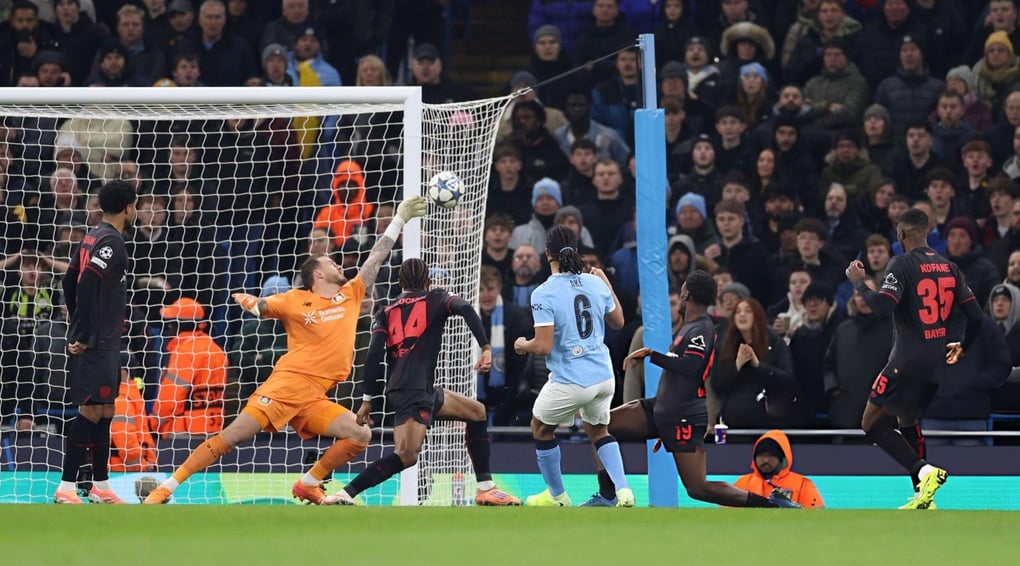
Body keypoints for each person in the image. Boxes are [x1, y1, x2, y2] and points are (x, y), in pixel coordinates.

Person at [143, 196, 428, 504]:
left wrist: (399, 219)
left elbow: (376, 258)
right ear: (317, 274)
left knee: (360, 434)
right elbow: (264, 306)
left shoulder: (352, 294)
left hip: (314, 397)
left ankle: (308, 483)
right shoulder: (295, 299)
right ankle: (165, 488)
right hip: (285, 386)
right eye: (330, 262)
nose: (337, 263)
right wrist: (251, 302)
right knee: (233, 436)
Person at [322, 259, 521, 506]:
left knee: (477, 412)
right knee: (406, 455)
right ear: (427, 282)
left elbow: (373, 355)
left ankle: (486, 488)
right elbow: (466, 308)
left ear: (399, 282)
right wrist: (486, 347)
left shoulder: (385, 310)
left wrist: (367, 399)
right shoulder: (437, 298)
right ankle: (344, 494)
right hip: (412, 393)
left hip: (416, 389)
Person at [600, 270, 798, 508]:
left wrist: (653, 355)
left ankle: (771, 503)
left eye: (683, 290)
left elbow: (691, 367)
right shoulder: (692, 327)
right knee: (601, 425)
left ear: (687, 295)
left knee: (697, 488)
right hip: (663, 409)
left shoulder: (702, 329)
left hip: (681, 415)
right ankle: (608, 495)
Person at [845, 208, 985, 510]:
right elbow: (976, 316)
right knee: (907, 421)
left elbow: (882, 307)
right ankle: (924, 495)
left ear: (901, 234)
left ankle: (924, 470)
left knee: (870, 423)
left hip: (906, 361)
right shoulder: (949, 267)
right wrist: (963, 345)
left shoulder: (901, 264)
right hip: (935, 365)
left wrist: (859, 283)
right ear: (928, 231)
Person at [514, 225, 632, 507]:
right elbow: (619, 322)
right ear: (576, 251)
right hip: (603, 376)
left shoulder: (543, 293)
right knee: (599, 430)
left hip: (572, 378)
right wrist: (607, 285)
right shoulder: (594, 282)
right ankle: (624, 491)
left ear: (547, 254)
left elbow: (543, 346)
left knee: (540, 427)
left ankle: (557, 497)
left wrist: (522, 344)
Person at [54, 180, 137, 504]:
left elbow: (68, 279)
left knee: (105, 410)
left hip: (105, 341)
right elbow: (87, 281)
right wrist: (83, 334)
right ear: (128, 208)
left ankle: (100, 485)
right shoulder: (112, 243)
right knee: (90, 411)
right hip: (97, 342)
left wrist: (78, 325)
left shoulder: (92, 236)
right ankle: (66, 487)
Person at [734, 429, 824, 508]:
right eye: (761, 455)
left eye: (771, 455)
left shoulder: (803, 484)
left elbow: (818, 515)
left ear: (782, 458)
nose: (765, 460)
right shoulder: (743, 483)